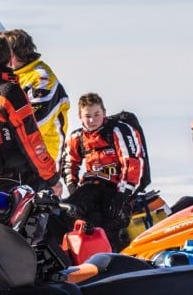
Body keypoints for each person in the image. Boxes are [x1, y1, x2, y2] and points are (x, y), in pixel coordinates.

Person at [0, 35, 63, 196]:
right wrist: (52, 179)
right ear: (9, 61)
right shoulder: (11, 92)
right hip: (18, 177)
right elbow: (31, 140)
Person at [61, 92, 146, 250]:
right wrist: (72, 186)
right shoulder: (76, 137)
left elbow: (133, 161)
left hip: (116, 188)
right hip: (91, 187)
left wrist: (123, 194)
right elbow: (68, 164)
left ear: (104, 112)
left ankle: (115, 257)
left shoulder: (118, 131)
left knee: (113, 220)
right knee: (69, 211)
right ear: (80, 116)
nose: (92, 120)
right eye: (88, 115)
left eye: (96, 114)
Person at [2, 29, 70, 163]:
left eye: (2, 53)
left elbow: (35, 123)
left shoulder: (42, 78)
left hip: (44, 159)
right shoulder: (13, 76)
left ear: (12, 55)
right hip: (19, 157)